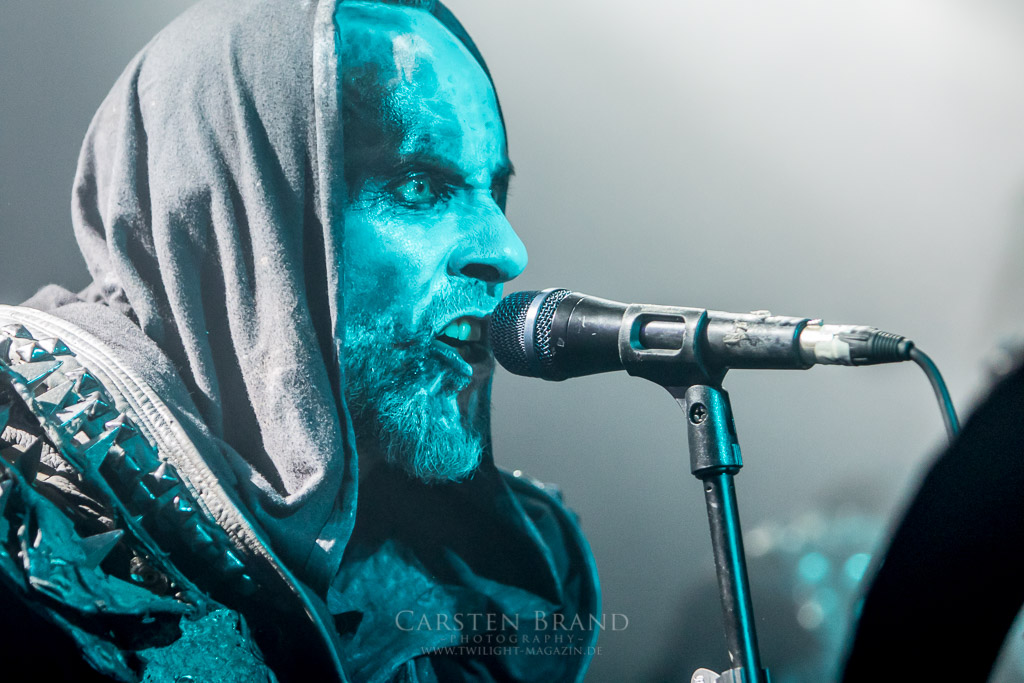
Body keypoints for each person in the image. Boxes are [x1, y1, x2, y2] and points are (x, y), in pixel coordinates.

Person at [0, 1, 599, 681]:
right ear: (233, 208)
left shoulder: (488, 581)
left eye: (494, 191)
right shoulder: (19, 486)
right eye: (419, 185)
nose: (507, 250)